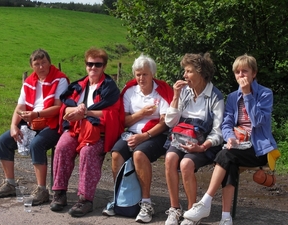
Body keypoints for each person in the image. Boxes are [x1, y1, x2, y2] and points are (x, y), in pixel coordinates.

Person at [183, 54, 278, 225]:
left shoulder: (265, 94)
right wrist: (231, 138)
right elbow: (226, 124)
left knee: (225, 156)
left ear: (253, 73)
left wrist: (248, 94)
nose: (241, 75)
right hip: (237, 147)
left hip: (259, 149)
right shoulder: (233, 97)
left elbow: (258, 121)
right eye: (237, 72)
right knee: (229, 161)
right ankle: (226, 217)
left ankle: (205, 202)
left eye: (245, 71)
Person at [49, 47, 123, 218]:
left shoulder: (109, 89)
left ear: (104, 66)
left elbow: (111, 113)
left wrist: (86, 113)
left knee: (88, 152)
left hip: (97, 132)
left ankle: (85, 199)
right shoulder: (78, 86)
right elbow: (65, 108)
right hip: (76, 128)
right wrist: (73, 110)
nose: (93, 68)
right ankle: (59, 192)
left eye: (98, 64)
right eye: (90, 64)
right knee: (62, 146)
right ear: (86, 65)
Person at [0, 49, 69, 205]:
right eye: (37, 64)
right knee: (4, 140)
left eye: (43, 62)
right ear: (32, 66)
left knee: (37, 144)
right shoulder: (29, 82)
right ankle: (10, 184)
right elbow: (20, 106)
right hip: (31, 121)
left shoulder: (60, 79)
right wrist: (13, 125)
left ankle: (42, 190)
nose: (41, 67)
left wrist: (36, 114)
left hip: (52, 123)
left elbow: (59, 108)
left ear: (49, 63)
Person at [102, 54, 173, 223]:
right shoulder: (129, 91)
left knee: (139, 155)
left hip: (155, 135)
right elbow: (124, 120)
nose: (141, 78)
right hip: (132, 133)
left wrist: (144, 136)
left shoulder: (162, 91)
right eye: (138, 74)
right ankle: (120, 199)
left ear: (152, 74)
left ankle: (146, 203)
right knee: (116, 154)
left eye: (145, 74)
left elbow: (165, 123)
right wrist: (141, 114)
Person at [164, 53, 224, 225]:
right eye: (185, 71)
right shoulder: (184, 92)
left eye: (188, 71)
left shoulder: (215, 96)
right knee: (170, 158)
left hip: (204, 143)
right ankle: (175, 209)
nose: (184, 76)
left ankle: (191, 213)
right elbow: (170, 122)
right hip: (182, 138)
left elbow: (218, 132)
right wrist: (175, 96)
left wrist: (203, 146)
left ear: (201, 73)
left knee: (186, 164)